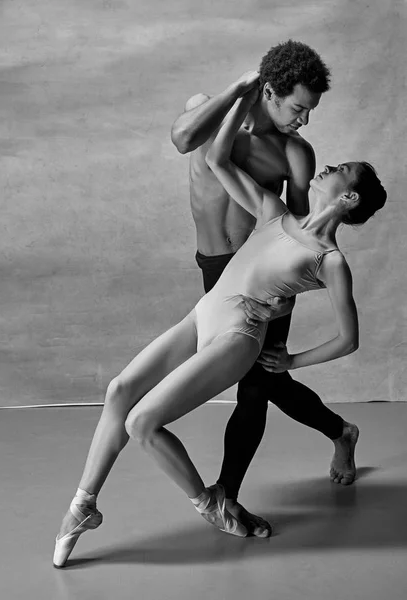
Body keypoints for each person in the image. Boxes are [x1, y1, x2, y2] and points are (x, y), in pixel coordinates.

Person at [53, 85, 386, 568]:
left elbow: (349, 339)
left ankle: (211, 502)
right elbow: (217, 161)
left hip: (237, 336)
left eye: (340, 171)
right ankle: (83, 507)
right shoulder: (276, 212)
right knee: (120, 390)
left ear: (349, 196)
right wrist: (238, 102)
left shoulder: (330, 260)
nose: (328, 168)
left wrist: (292, 358)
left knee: (142, 422)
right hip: (204, 313)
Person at [170, 41, 362, 535]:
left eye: (310, 111)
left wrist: (288, 293)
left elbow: (299, 227)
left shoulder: (296, 152)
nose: (303, 121)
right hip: (215, 267)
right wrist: (238, 90)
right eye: (298, 108)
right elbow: (183, 139)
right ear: (270, 91)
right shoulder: (211, 114)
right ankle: (341, 431)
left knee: (255, 387)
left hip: (266, 279)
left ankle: (226, 498)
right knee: (270, 379)